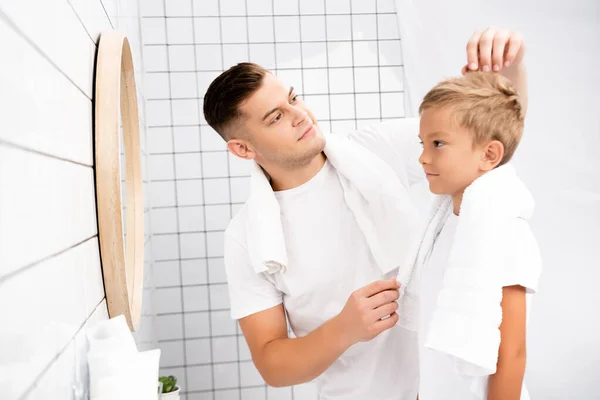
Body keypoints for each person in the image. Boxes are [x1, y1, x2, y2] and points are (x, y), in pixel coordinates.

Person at [202, 27, 528, 400]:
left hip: (451, 386)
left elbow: (489, 143)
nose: (301, 115)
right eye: (276, 117)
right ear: (243, 149)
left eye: (294, 98)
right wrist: (344, 328)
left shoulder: (374, 150)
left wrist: (510, 69)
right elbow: (272, 364)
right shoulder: (247, 237)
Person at [406, 72, 541, 400]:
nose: (423, 157)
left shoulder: (504, 233)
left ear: (489, 155)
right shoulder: (440, 227)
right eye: (422, 144)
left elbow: (512, 354)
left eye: (438, 143)